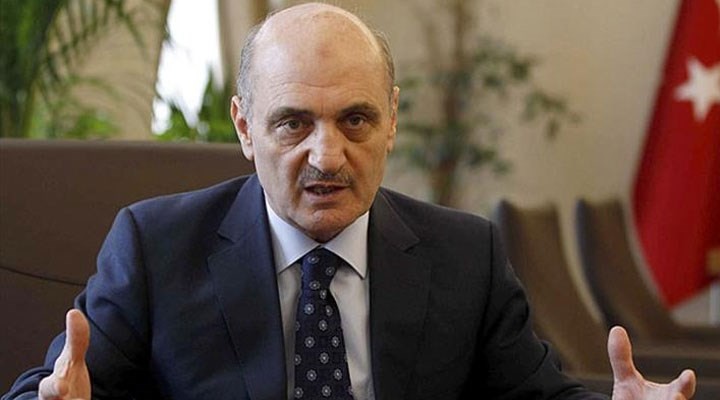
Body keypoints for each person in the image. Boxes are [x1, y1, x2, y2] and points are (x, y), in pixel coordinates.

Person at [4, 3, 697, 400]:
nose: (327, 156)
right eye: (292, 123)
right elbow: (56, 385)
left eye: (355, 120)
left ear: (392, 121)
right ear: (245, 128)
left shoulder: (466, 256)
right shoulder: (156, 248)